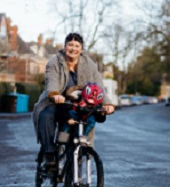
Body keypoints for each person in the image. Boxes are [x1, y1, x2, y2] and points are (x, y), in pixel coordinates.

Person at [32, 32, 115, 164]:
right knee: (46, 115)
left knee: (86, 121)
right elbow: (51, 80)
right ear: (65, 47)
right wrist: (54, 94)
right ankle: (49, 153)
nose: (73, 48)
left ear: (81, 49)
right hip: (57, 101)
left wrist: (107, 104)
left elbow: (98, 86)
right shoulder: (55, 61)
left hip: (79, 102)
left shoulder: (89, 64)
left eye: (77, 45)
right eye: (70, 45)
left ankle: (78, 159)